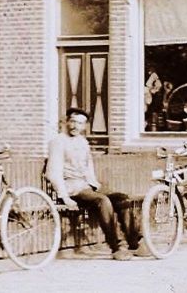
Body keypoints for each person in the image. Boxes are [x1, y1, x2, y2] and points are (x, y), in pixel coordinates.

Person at [46, 107, 147, 260]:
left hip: (87, 187)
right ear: (66, 122)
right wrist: (64, 196)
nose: (75, 126)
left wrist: (95, 184)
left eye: (80, 123)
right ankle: (116, 246)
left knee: (123, 199)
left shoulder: (82, 142)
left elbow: (88, 167)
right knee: (102, 201)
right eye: (72, 121)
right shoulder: (58, 142)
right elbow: (53, 172)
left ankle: (135, 243)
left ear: (85, 126)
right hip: (72, 188)